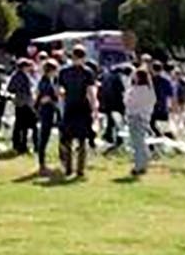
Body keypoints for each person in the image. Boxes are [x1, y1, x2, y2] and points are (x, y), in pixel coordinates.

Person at [57, 46, 97, 178]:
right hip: (82, 108)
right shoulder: (87, 72)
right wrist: (94, 108)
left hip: (69, 107)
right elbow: (90, 92)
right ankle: (80, 170)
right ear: (84, 57)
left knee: (67, 140)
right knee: (82, 141)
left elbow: (59, 91)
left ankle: (68, 168)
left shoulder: (64, 71)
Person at [125, 66, 156, 176]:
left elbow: (128, 102)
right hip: (145, 117)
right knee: (141, 141)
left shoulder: (135, 90)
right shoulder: (149, 90)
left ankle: (138, 166)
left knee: (137, 143)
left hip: (135, 117)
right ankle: (144, 163)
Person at [7, 58, 37, 155]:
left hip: (21, 103)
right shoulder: (19, 76)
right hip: (24, 103)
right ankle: (21, 145)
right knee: (23, 125)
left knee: (21, 125)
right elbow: (11, 88)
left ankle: (21, 145)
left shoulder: (20, 76)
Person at [34, 59, 59, 176]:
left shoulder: (48, 81)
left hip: (47, 111)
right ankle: (41, 165)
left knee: (44, 137)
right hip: (46, 112)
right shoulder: (45, 82)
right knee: (44, 137)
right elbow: (44, 98)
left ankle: (42, 163)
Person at [99, 63, 127, 147]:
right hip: (117, 104)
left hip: (107, 103)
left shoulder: (107, 77)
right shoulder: (117, 78)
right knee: (117, 122)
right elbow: (121, 91)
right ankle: (118, 138)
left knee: (110, 121)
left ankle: (108, 136)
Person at [149, 60, 174, 137]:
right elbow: (170, 95)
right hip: (162, 107)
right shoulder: (166, 81)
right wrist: (171, 106)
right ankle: (171, 140)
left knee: (150, 126)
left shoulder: (149, 80)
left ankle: (157, 137)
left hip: (152, 107)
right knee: (165, 128)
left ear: (152, 69)